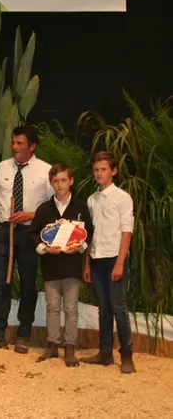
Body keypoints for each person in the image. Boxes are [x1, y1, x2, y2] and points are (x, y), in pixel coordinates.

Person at [0, 125, 53, 355]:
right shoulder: (3, 167)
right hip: (1, 231)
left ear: (32, 146)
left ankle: (23, 335)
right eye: (13, 143)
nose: (15, 147)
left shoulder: (45, 171)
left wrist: (32, 215)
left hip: (29, 233)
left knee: (28, 284)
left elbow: (53, 208)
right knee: (0, 284)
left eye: (20, 143)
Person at [27, 164, 94, 367]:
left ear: (71, 181)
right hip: (51, 265)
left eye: (63, 180)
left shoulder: (81, 208)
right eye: (56, 181)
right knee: (52, 307)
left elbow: (89, 232)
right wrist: (45, 249)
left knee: (71, 309)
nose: (60, 184)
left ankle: (70, 348)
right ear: (51, 183)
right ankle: (52, 345)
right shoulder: (44, 209)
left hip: (73, 265)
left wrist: (80, 247)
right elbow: (33, 233)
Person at [80, 151, 136, 373]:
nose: (99, 173)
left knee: (118, 307)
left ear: (113, 171)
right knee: (103, 308)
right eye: (96, 169)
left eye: (103, 169)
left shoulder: (122, 198)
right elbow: (89, 234)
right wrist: (87, 264)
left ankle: (127, 355)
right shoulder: (91, 200)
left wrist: (120, 262)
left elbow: (126, 231)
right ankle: (105, 352)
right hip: (97, 258)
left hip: (115, 257)